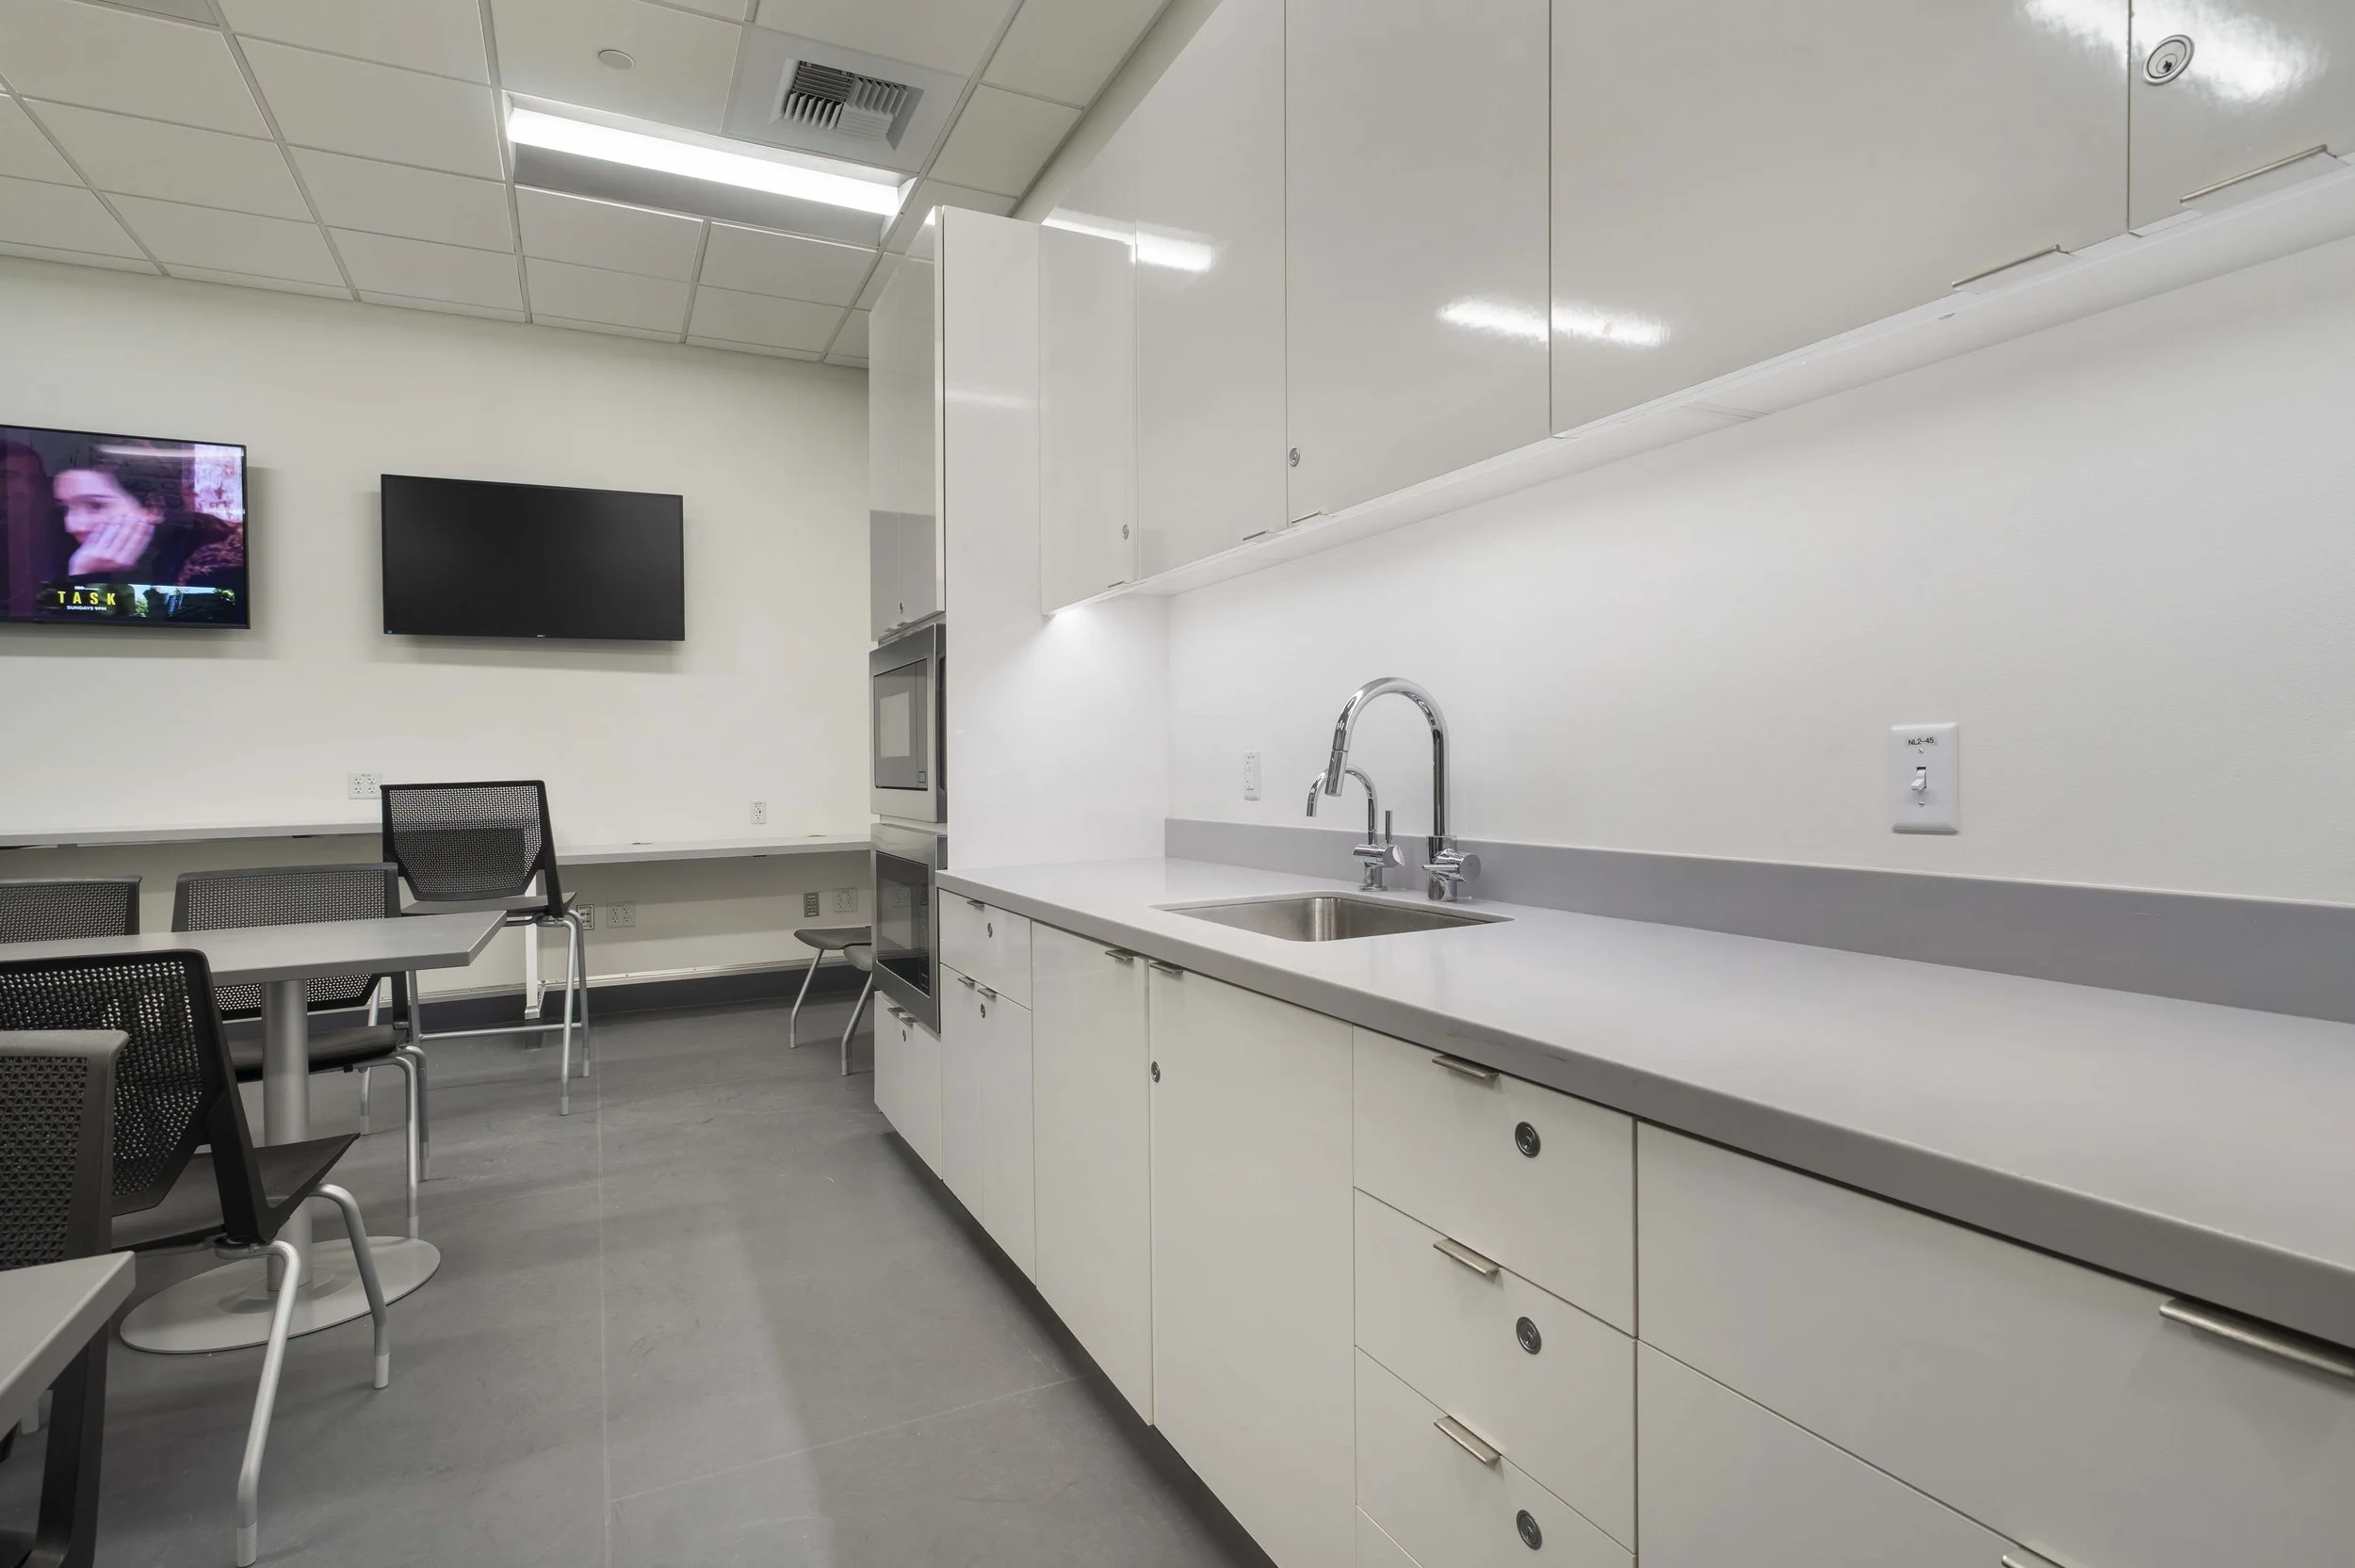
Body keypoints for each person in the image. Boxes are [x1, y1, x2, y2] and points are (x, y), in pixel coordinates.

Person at [53, 443, 241, 589]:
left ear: (154, 506)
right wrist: (82, 570)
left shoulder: (218, 565)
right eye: (65, 509)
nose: (73, 526)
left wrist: (86, 575)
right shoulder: (74, 553)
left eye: (95, 506)